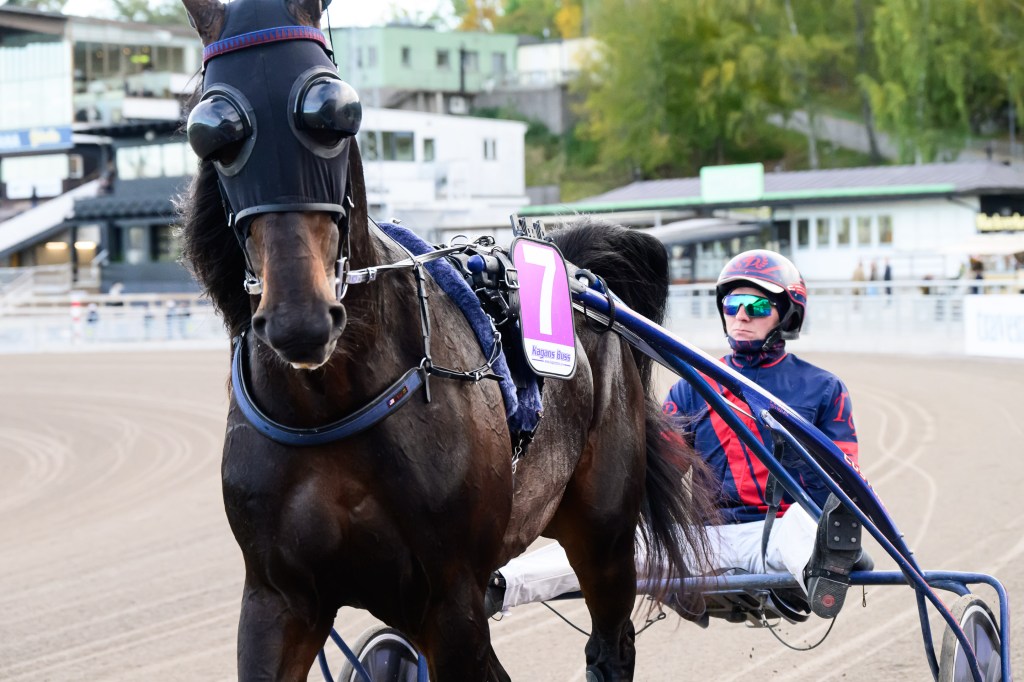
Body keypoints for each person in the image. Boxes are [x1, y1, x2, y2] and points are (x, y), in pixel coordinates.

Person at [486, 250, 864, 623]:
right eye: (733, 304)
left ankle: (821, 572)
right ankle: (499, 585)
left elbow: (844, 482)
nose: (742, 315)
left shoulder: (823, 388)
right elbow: (655, 471)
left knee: (802, 525)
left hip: (779, 535)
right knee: (606, 540)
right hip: (706, 541)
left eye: (757, 306)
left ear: (788, 315)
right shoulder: (693, 387)